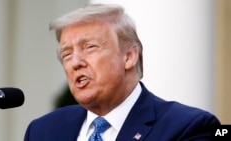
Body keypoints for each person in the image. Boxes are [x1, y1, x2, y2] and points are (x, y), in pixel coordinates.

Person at [24, 4, 220, 141]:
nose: (75, 62)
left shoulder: (188, 127)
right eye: (67, 54)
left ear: (129, 57)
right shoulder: (42, 131)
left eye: (90, 47)